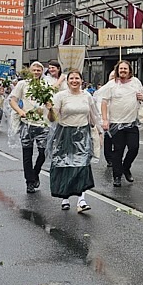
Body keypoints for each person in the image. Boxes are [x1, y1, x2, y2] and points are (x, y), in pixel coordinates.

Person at [47, 69, 100, 213]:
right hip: (65, 134)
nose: (74, 81)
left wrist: (98, 132)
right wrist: (50, 110)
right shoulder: (60, 96)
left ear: (82, 80)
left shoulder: (87, 96)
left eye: (77, 78)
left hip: (82, 134)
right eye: (71, 78)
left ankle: (81, 200)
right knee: (65, 165)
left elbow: (92, 115)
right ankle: (65, 197)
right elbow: (53, 119)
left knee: (82, 166)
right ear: (67, 81)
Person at [99, 60, 143, 188]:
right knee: (118, 151)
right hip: (116, 123)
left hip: (131, 123)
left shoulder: (136, 82)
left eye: (125, 69)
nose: (123, 71)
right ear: (117, 70)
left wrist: (142, 97)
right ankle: (117, 176)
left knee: (134, 148)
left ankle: (126, 167)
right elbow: (104, 102)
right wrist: (104, 119)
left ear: (130, 70)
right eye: (121, 69)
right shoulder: (112, 84)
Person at [10, 61, 51, 194]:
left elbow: (52, 100)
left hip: (43, 124)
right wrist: (20, 111)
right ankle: (29, 182)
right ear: (30, 71)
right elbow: (12, 100)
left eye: (39, 70)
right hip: (27, 123)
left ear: (42, 72)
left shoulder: (46, 84)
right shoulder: (23, 84)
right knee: (27, 154)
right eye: (34, 70)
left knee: (43, 152)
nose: (36, 72)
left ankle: (36, 172)